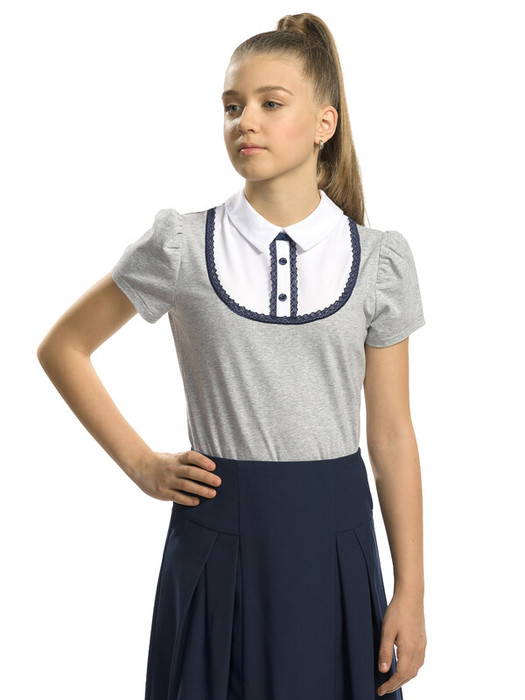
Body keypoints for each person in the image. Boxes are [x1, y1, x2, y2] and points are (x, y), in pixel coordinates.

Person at [37, 11, 427, 700]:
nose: (245, 121)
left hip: (336, 543)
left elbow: (392, 434)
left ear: (325, 123)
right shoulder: (182, 246)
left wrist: (411, 592)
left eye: (271, 104)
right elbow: (64, 347)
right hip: (216, 536)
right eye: (231, 106)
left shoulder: (378, 262)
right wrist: (141, 464)